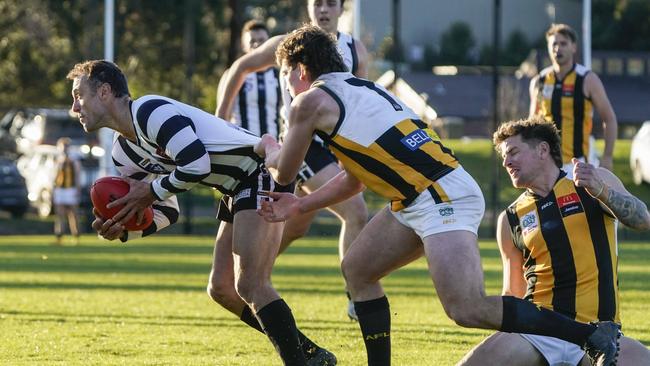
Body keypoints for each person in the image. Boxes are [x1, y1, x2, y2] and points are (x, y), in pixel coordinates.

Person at [256, 25, 624, 366]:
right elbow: (355, 179)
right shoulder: (364, 90)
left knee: (466, 308)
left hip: (441, 195)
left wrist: (267, 145)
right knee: (357, 270)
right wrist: (302, 203)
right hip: (418, 197)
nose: (285, 84)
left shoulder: (309, 102)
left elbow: (284, 171)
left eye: (284, 73)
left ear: (300, 70)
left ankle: (590, 335)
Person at [66, 60, 335, 365]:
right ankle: (314, 355)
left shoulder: (150, 111)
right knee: (221, 288)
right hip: (236, 186)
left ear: (104, 92)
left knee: (250, 285)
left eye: (78, 95)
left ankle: (300, 361)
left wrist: (151, 193)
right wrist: (127, 229)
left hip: (259, 170)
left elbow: (196, 164)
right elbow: (168, 211)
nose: (74, 107)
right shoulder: (122, 153)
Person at [216, 0, 369, 321]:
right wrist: (221, 118)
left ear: (342, 9)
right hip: (303, 143)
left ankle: (248, 278)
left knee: (295, 225)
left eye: (330, 4)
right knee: (356, 212)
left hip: (336, 144)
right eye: (317, 3)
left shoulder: (355, 50)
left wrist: (357, 149)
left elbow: (360, 99)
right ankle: (358, 296)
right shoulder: (287, 44)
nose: (323, 10)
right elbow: (239, 68)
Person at [457, 117, 650, 366]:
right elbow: (512, 294)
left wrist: (602, 191)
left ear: (542, 149)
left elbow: (643, 219)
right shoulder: (511, 218)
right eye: (504, 157)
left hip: (601, 334)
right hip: (538, 333)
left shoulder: (590, 182)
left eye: (513, 152)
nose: (507, 162)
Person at [529, 23, 618, 175]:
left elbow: (609, 119)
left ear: (574, 47)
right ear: (549, 48)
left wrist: (607, 156)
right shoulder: (539, 81)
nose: (558, 48)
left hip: (579, 164)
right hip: (545, 164)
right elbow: (532, 122)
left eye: (563, 43)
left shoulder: (587, 79)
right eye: (554, 44)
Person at [216, 19, 281, 138]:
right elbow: (222, 115)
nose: (257, 45)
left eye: (262, 41)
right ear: (243, 46)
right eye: (252, 41)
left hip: (273, 149)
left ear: (269, 43)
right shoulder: (232, 74)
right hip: (243, 147)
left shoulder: (279, 75)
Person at [53, 137, 81, 245]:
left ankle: (76, 236)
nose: (64, 148)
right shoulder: (57, 159)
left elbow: (78, 175)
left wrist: (78, 189)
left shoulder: (73, 159)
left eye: (66, 146)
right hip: (60, 189)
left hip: (71, 189)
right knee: (59, 214)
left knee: (73, 214)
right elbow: (55, 176)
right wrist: (53, 189)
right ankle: (59, 236)